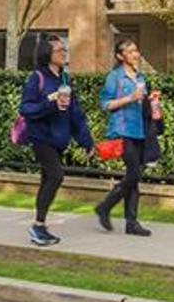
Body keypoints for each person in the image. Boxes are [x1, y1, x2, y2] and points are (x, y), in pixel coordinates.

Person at [18, 36, 93, 247]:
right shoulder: (37, 78)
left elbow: (75, 114)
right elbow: (26, 108)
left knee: (47, 180)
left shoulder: (65, 79)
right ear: (47, 54)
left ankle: (39, 226)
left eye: (64, 49)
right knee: (56, 175)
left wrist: (86, 141)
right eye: (59, 50)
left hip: (59, 139)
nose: (63, 53)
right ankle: (37, 226)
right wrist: (50, 102)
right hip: (41, 138)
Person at [95, 38, 154, 237]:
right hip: (122, 130)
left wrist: (152, 102)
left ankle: (131, 222)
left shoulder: (141, 77)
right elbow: (105, 104)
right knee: (134, 174)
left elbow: (143, 104)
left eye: (136, 50)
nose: (135, 54)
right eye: (129, 52)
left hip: (139, 130)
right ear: (120, 56)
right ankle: (105, 206)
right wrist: (129, 98)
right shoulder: (115, 77)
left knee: (134, 177)